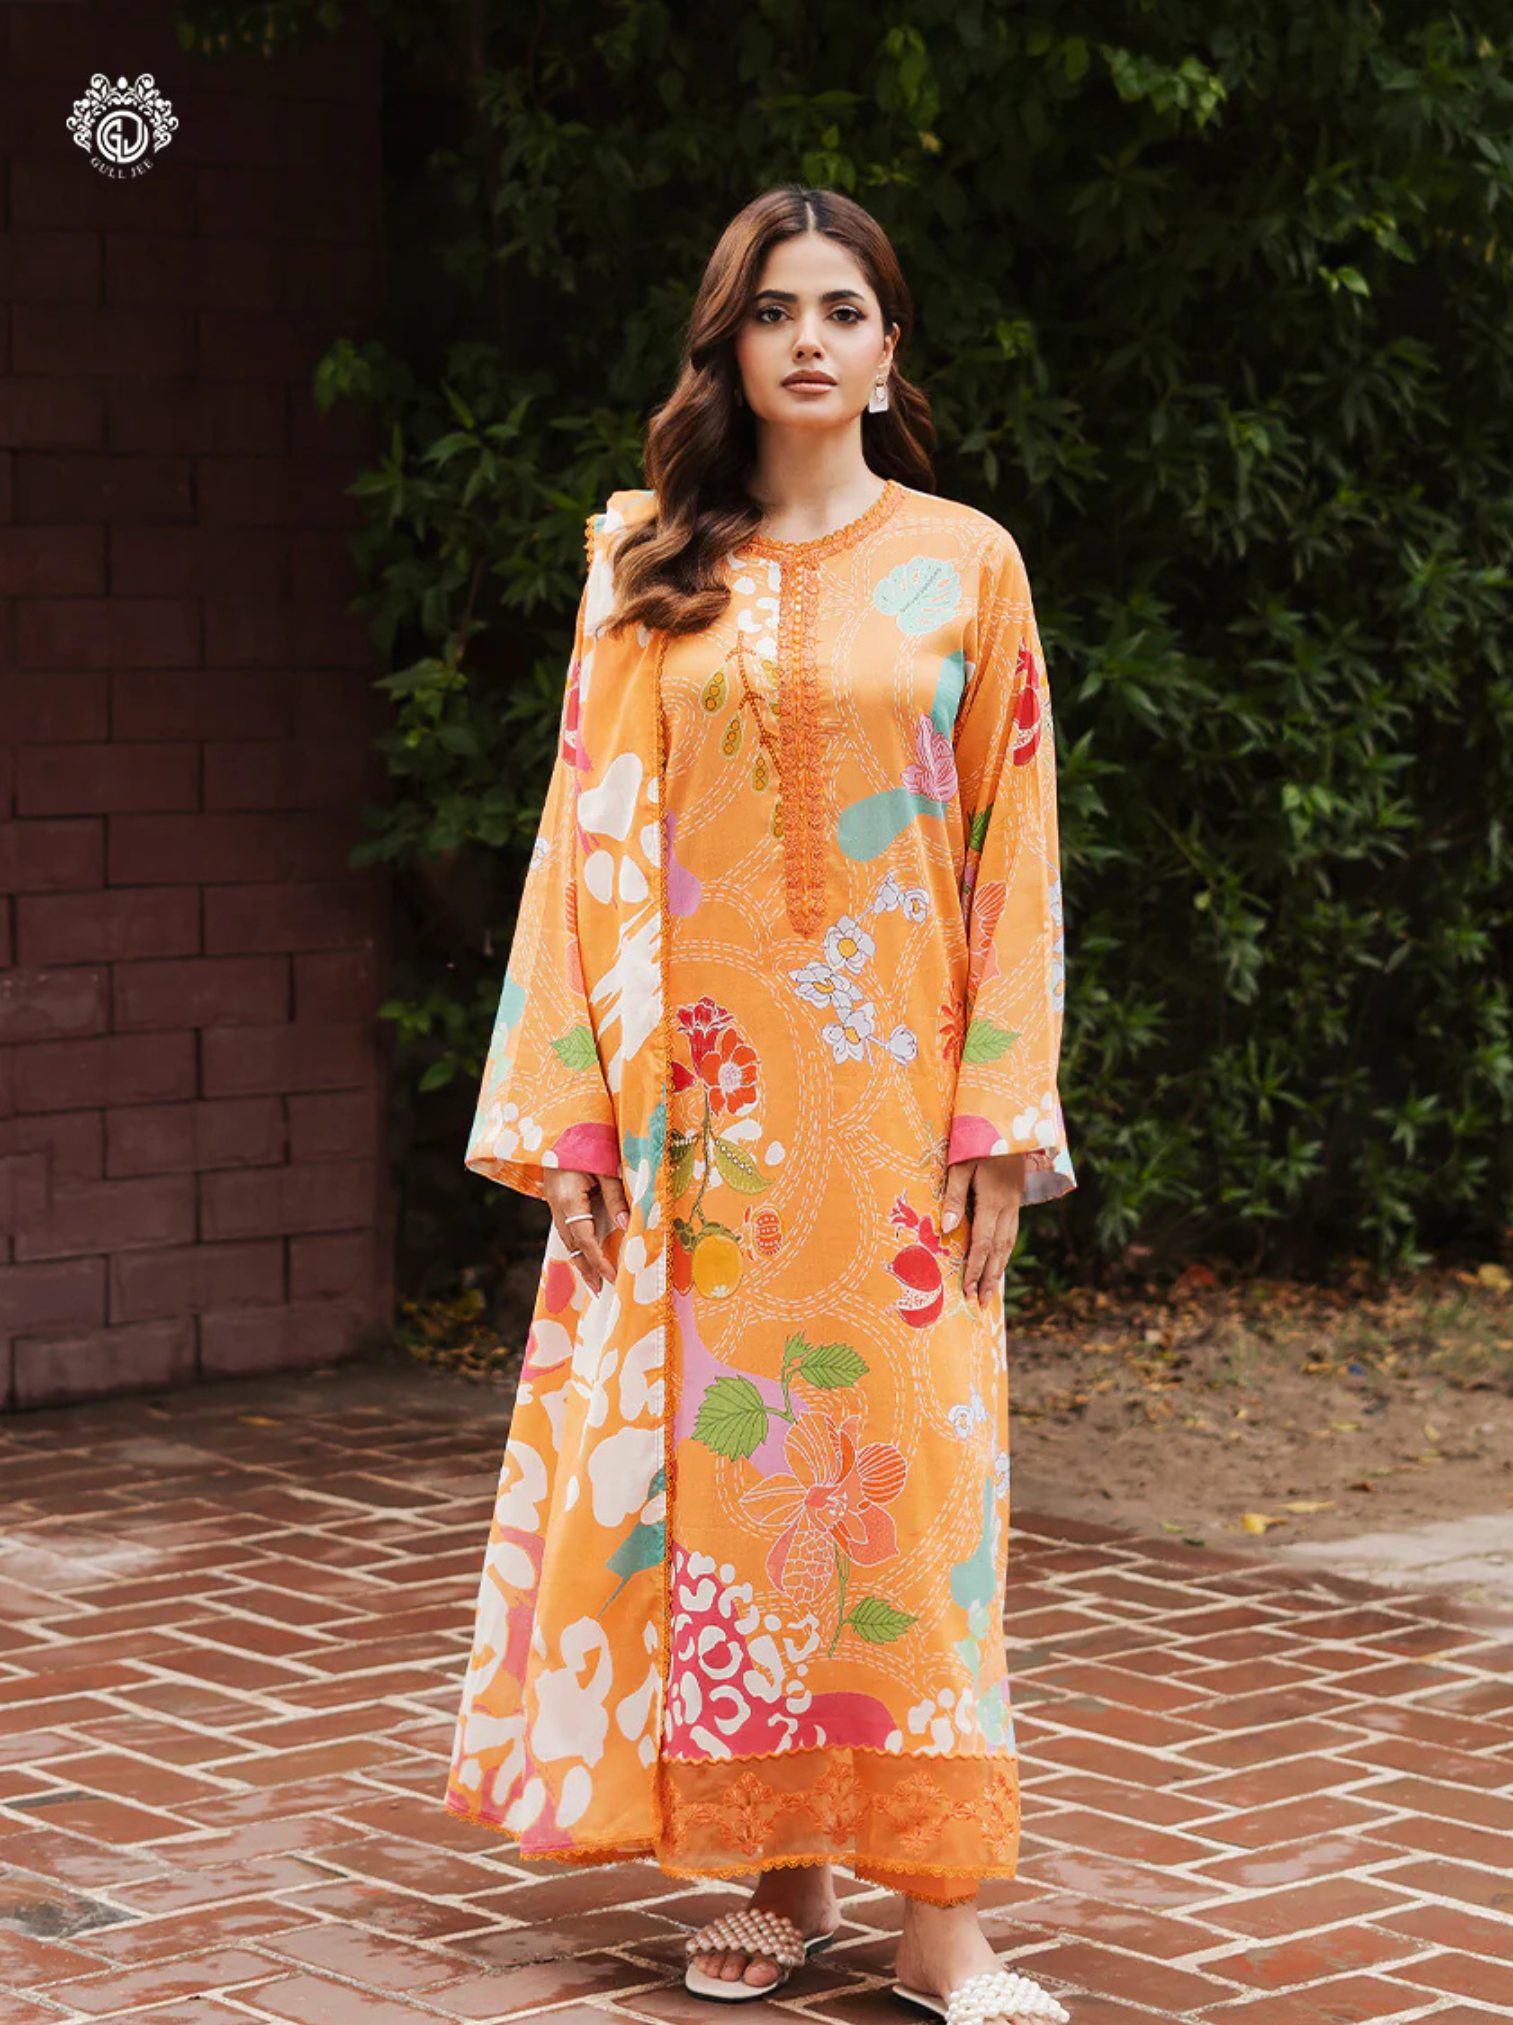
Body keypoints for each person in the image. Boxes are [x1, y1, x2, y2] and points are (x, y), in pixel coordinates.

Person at [444, 184, 1075, 2025]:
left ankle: (943, 1917)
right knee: (738, 1513)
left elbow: (1010, 853)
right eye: (776, 310)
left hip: (892, 1132)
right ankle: (780, 1873)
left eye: (847, 309)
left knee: (916, 1500)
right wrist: (567, 1117)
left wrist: (995, 1122)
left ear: (891, 348)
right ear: (727, 346)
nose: (811, 338)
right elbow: (582, 840)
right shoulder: (651, 560)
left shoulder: (968, 563)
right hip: (698, 1133)